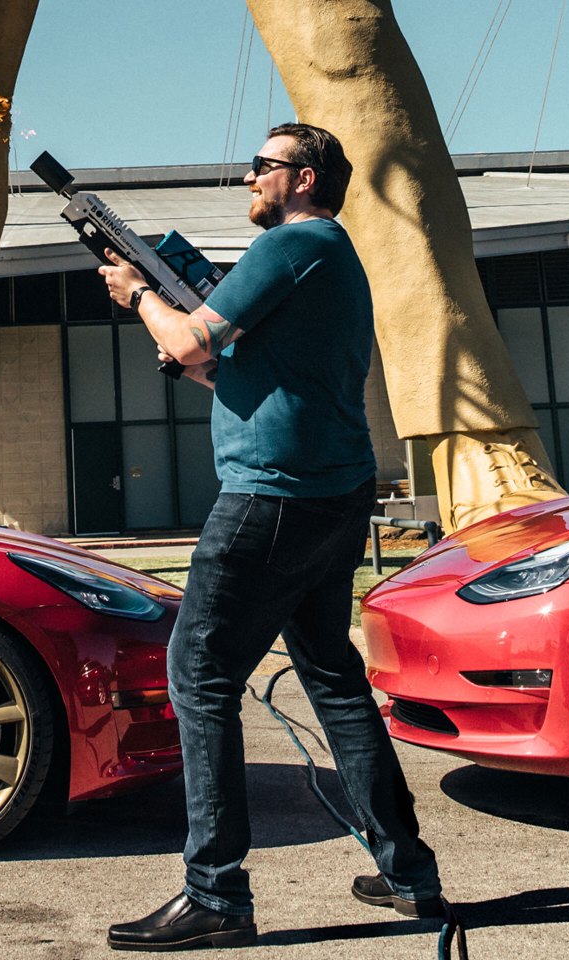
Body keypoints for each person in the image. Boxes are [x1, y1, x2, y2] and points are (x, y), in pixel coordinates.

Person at [98, 123, 443, 952]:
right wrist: (182, 341)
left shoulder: (294, 247)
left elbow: (186, 339)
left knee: (200, 673)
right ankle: (409, 874)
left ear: (307, 177)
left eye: (265, 166)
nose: (250, 176)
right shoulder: (329, 257)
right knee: (331, 676)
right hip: (329, 494)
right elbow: (220, 367)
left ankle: (215, 894)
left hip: (273, 498)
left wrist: (140, 296)